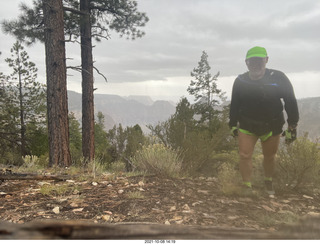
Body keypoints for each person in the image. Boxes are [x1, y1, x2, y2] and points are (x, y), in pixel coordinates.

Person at [229, 46, 299, 196]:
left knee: (269, 156)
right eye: (251, 61)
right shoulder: (240, 81)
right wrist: (232, 124)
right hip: (247, 124)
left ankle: (268, 182)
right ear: (246, 62)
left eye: (259, 60)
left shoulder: (278, 78)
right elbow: (235, 103)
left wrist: (292, 125)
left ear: (266, 60)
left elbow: (290, 101)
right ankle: (247, 186)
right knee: (244, 155)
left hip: (272, 124)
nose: (255, 64)